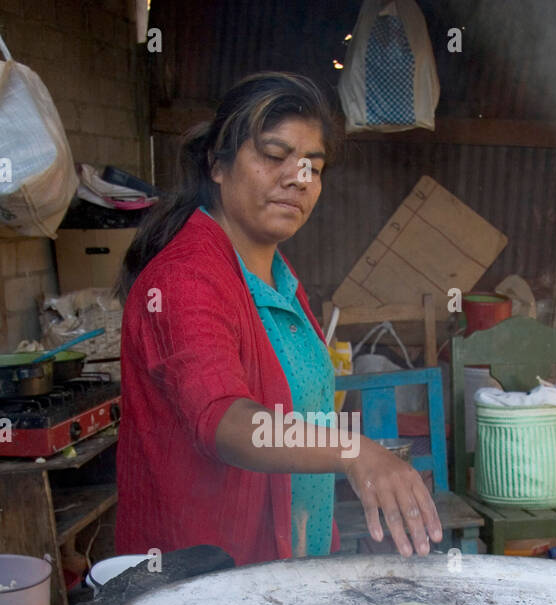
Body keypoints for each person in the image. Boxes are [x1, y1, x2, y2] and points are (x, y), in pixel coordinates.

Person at [113, 71, 442, 566]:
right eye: (274, 155)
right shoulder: (185, 279)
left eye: (313, 164)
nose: (298, 178)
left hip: (286, 568)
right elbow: (227, 422)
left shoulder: (277, 278)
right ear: (218, 165)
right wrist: (354, 451)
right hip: (201, 587)